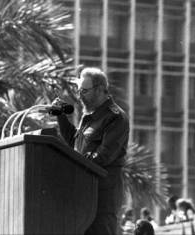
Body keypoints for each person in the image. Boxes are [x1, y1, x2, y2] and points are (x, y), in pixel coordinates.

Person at [53, 67, 130, 235]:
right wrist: (60, 117)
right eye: (79, 90)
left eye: (85, 91)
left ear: (101, 89)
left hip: (102, 199)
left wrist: (73, 164)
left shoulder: (116, 117)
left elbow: (103, 157)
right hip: (83, 195)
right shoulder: (88, 115)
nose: (80, 95)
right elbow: (75, 142)